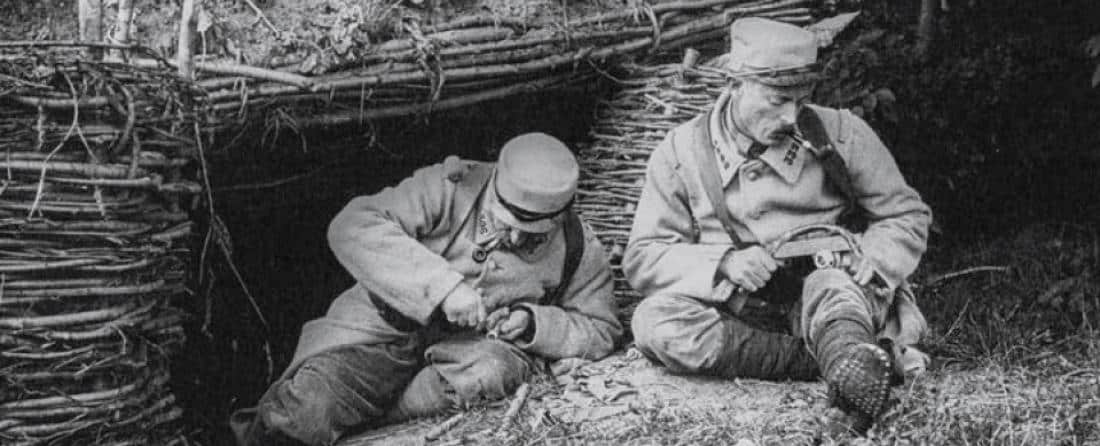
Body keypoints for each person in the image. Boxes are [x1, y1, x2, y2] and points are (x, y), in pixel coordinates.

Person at [623, 17, 933, 429]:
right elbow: (644, 255)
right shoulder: (680, 154)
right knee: (655, 323)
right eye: (776, 100)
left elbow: (906, 214)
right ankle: (842, 360)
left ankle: (846, 354)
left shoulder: (841, 134)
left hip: (834, 292)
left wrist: (874, 259)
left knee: (832, 288)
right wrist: (723, 263)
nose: (791, 116)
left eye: (801, 100)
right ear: (734, 84)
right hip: (742, 311)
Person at [233, 133, 623, 446]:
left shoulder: (578, 245)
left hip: (465, 354)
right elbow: (352, 225)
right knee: (307, 413)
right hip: (380, 334)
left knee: (491, 372)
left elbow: (601, 328)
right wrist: (444, 289)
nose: (518, 236)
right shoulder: (452, 187)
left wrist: (533, 322)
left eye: (535, 233)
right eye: (508, 222)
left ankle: (369, 425)